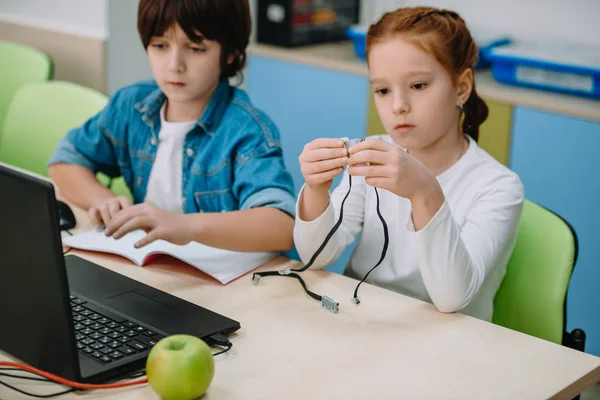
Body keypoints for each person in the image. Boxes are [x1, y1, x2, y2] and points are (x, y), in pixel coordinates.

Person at [293, 6, 524, 320]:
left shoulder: (498, 188)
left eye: (418, 86)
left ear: (462, 86)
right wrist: (316, 188)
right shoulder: (372, 158)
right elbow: (315, 256)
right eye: (383, 90)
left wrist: (425, 193)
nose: (398, 106)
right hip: (366, 326)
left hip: (451, 348)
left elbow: (451, 298)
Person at [49, 0, 295, 252]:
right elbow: (65, 161)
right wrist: (102, 200)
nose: (174, 65)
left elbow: (282, 226)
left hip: (222, 280)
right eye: (160, 46)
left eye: (196, 48)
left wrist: (185, 226)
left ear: (230, 53)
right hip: (152, 270)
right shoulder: (131, 105)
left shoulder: (246, 130)